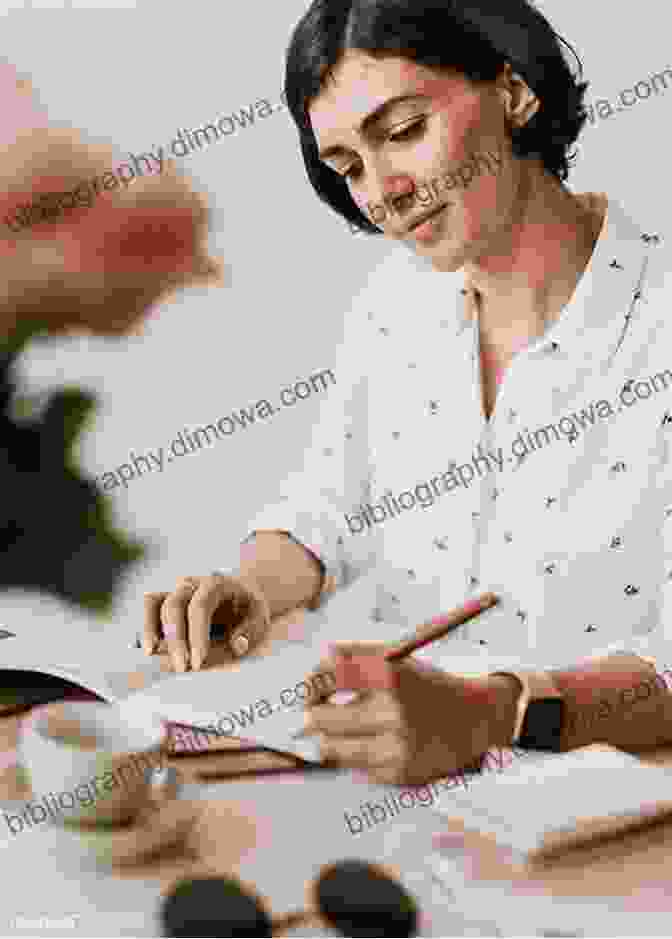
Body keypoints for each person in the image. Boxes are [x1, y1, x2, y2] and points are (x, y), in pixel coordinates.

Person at [144, 0, 672, 785]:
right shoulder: (392, 308)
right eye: (348, 165)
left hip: (610, 823)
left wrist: (492, 711)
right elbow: (326, 510)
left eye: (401, 132)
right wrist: (250, 590)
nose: (381, 192)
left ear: (515, 92)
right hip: (396, 790)